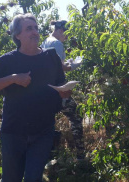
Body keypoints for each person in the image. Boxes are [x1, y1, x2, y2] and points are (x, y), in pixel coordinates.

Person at [0, 13, 72, 182]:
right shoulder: (7, 61)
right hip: (13, 133)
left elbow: (61, 84)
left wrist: (65, 93)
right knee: (10, 179)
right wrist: (13, 78)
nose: (35, 32)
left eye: (36, 28)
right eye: (29, 28)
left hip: (43, 131)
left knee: (32, 178)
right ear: (17, 35)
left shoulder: (51, 57)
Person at [41, 20, 85, 159]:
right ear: (61, 30)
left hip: (44, 89)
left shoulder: (45, 42)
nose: (66, 38)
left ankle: (51, 156)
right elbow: (60, 67)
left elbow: (51, 64)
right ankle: (80, 155)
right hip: (58, 89)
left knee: (48, 122)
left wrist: (67, 62)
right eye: (66, 35)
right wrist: (73, 66)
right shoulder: (57, 44)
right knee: (76, 116)